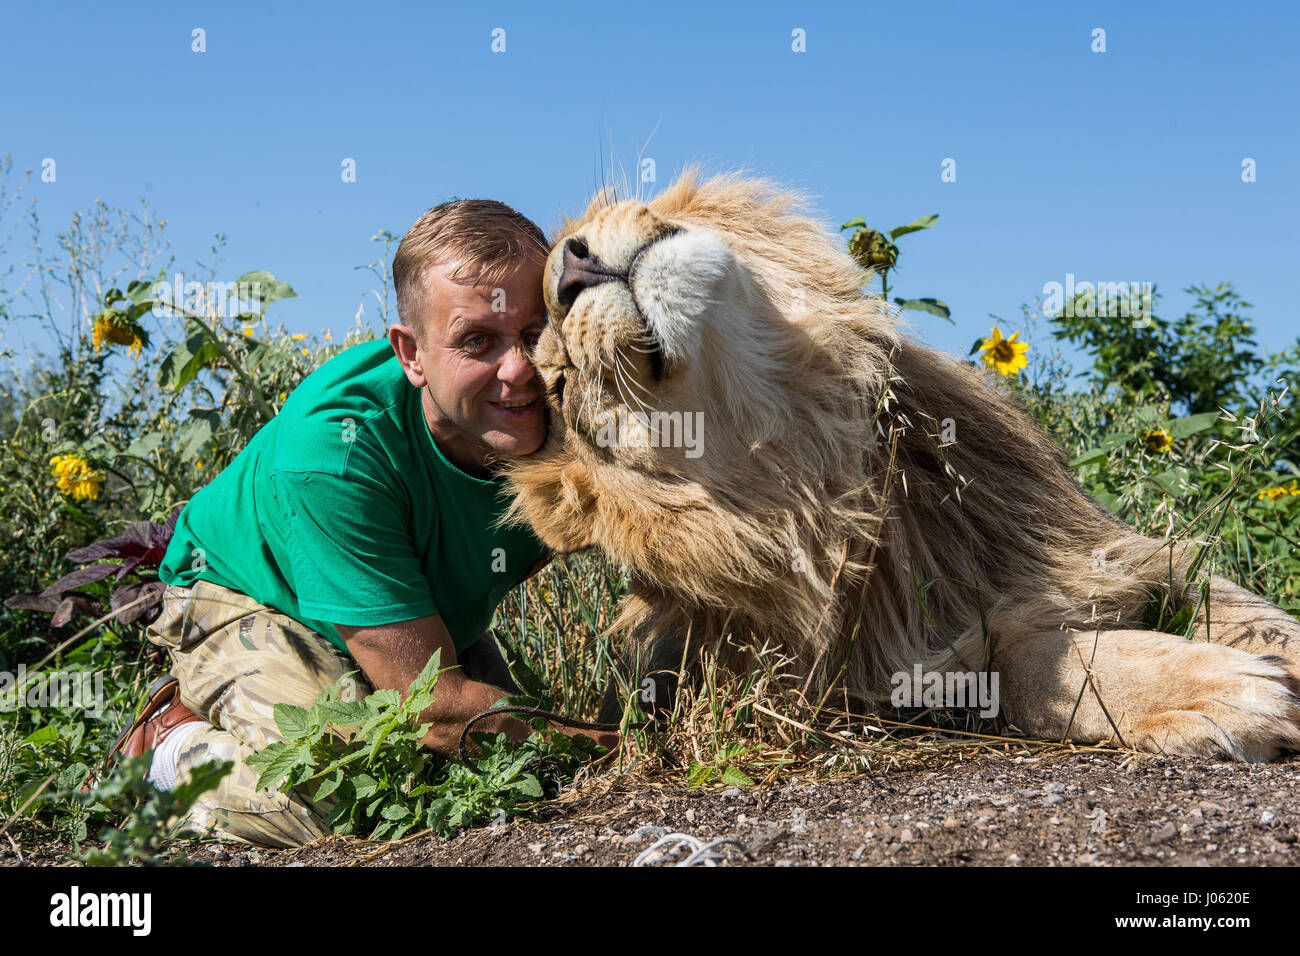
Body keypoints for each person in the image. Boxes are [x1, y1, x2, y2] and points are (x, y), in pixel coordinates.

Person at [106, 199, 618, 848]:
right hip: (251, 596)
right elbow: (431, 710)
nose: (517, 370)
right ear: (411, 354)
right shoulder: (335, 450)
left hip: (413, 612)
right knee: (339, 802)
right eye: (477, 341)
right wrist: (606, 747)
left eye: (534, 332)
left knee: (521, 779)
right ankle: (169, 752)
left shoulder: (576, 413)